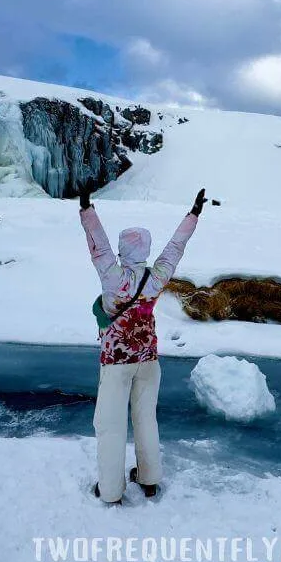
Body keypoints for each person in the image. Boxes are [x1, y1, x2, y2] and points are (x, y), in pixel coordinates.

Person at [79, 187, 207, 504]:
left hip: (116, 363)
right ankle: (149, 480)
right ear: (146, 249)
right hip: (148, 360)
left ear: (122, 250)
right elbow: (175, 248)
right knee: (145, 418)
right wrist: (193, 214)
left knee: (109, 424)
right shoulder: (156, 277)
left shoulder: (112, 274)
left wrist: (87, 209)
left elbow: (98, 245)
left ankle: (110, 490)